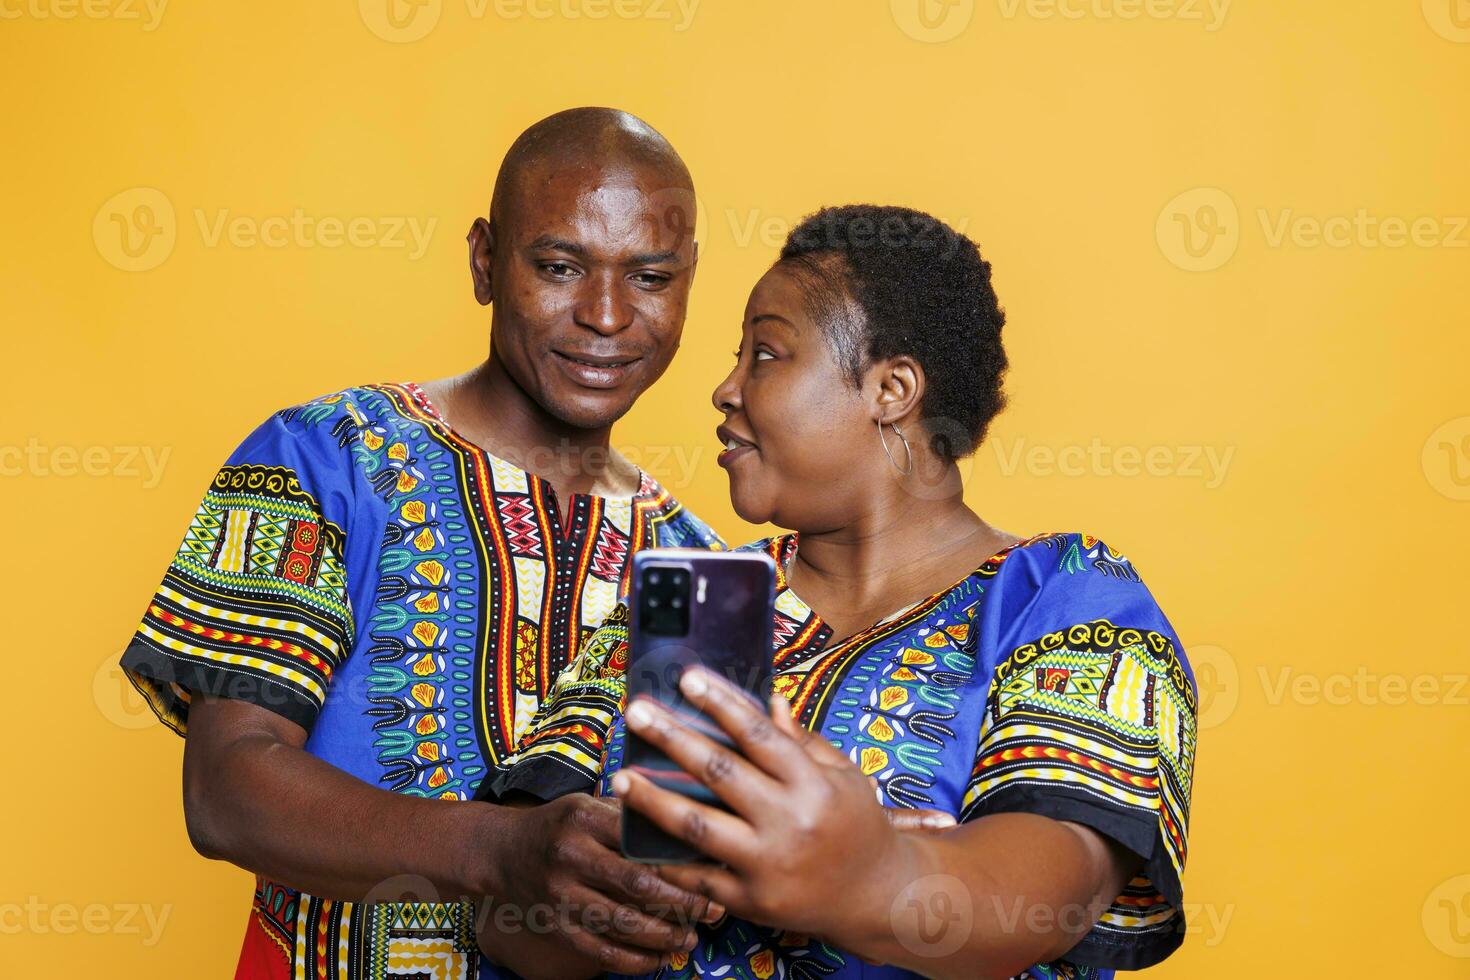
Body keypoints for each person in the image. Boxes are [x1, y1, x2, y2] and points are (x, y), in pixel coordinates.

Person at [482, 205, 1199, 979]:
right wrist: (611, 889)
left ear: (891, 388)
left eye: (766, 353)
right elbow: (509, 915)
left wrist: (869, 875)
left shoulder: (1062, 599)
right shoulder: (689, 600)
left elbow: (1050, 897)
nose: (725, 390)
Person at [118, 107, 730, 980]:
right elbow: (224, 793)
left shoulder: (701, 571)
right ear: (485, 261)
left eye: (651, 278)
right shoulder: (318, 457)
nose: (605, 315)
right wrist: (498, 848)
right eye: (558, 267)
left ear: (690, 281)